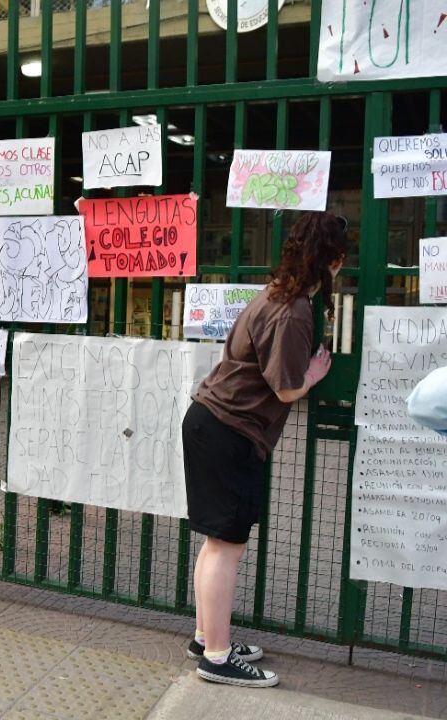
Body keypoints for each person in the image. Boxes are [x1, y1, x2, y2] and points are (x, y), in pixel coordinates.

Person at [182, 211, 346, 688]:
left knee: (218, 542)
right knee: (226, 545)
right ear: (331, 261)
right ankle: (215, 657)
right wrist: (313, 376)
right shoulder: (294, 310)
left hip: (212, 423)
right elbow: (285, 388)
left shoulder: (276, 293)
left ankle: (205, 636)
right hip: (228, 430)